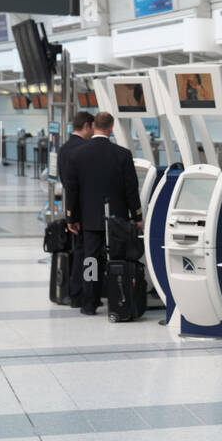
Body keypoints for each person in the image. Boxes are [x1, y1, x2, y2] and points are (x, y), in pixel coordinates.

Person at [64, 111, 141, 316]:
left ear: (94, 126)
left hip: (89, 219)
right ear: (110, 128)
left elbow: (72, 190)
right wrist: (138, 216)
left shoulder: (77, 154)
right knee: (118, 259)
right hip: (117, 219)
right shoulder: (122, 155)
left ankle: (90, 302)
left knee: (91, 259)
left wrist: (71, 217)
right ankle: (118, 299)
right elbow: (131, 190)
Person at [57, 111, 95, 308]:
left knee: (79, 251)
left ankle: (77, 291)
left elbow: (66, 182)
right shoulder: (85, 149)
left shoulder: (63, 148)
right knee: (88, 254)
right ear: (87, 126)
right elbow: (79, 185)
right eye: (92, 128)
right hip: (86, 211)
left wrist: (70, 214)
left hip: (72, 208)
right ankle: (84, 293)